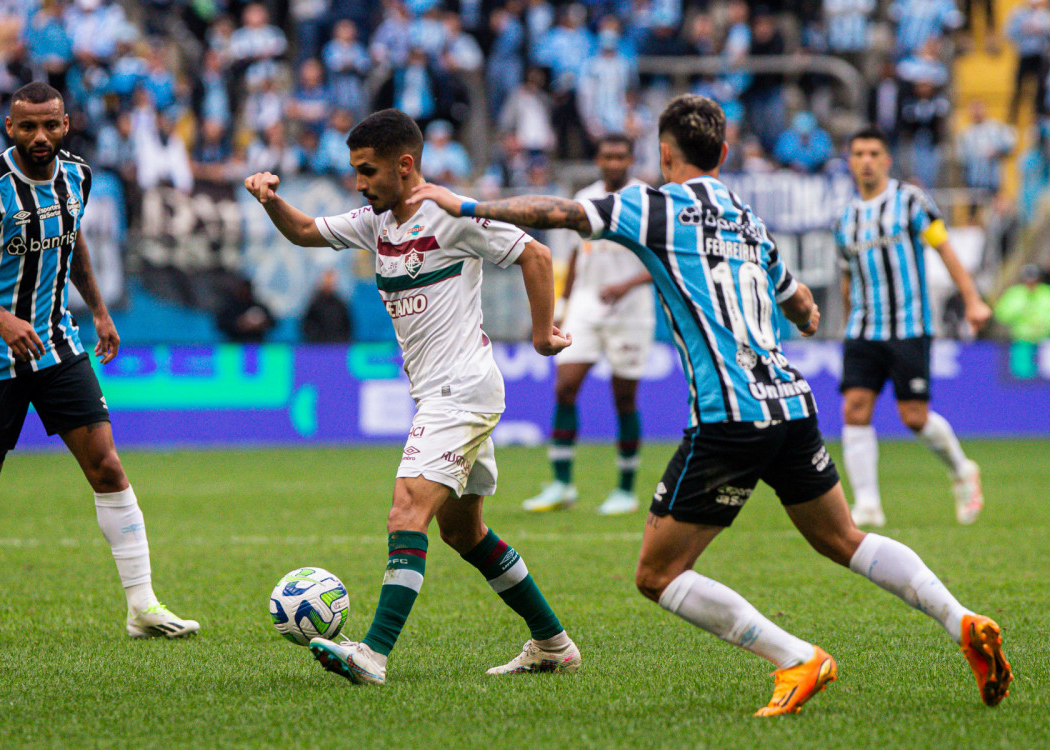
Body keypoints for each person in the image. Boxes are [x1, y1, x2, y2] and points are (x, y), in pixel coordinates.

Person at [409, 94, 1011, 716]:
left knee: (656, 575)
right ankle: (960, 618)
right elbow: (797, 300)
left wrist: (466, 204)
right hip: (790, 402)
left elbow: (560, 211)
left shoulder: (654, 205)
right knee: (845, 538)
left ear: (664, 155)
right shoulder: (747, 218)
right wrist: (802, 312)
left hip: (729, 418)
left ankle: (796, 658)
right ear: (723, 154)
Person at [243, 108, 579, 685]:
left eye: (367, 170)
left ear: (405, 164)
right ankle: (553, 644)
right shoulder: (375, 222)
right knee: (462, 532)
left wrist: (544, 333)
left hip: (462, 391)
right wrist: (269, 198)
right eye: (354, 171)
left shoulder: (449, 214)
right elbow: (304, 232)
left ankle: (372, 653)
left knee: (406, 511)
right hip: (438, 395)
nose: (359, 183)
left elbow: (537, 254)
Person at [0, 82, 198, 644]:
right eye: (27, 127)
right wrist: (2, 319)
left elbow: (74, 242)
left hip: (58, 347)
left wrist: (101, 313)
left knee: (108, 467)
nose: (40, 136)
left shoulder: (78, 176)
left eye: (51, 125)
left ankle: (142, 607)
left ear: (66, 124)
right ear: (9, 128)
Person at [834, 126, 992, 528]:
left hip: (909, 325)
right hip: (863, 328)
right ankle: (868, 504)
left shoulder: (910, 201)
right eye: (859, 153)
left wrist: (972, 300)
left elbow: (944, 249)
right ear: (850, 162)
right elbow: (847, 276)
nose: (866, 160)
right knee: (854, 408)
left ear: (886, 160)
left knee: (914, 417)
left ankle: (961, 469)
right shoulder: (846, 219)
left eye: (874, 153)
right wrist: (848, 318)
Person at [523, 133, 655, 516]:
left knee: (624, 397)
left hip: (631, 309)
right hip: (586, 304)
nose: (613, 162)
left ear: (630, 158)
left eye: (620, 156)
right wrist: (563, 306)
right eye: (607, 156)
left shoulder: (645, 200)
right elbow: (577, 254)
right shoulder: (585, 197)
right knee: (565, 386)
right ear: (598, 159)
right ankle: (561, 484)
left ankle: (626, 489)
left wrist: (626, 284)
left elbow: (661, 260)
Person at [215, 275, 277, 343]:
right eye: (243, 290)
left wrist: (262, 324)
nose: (245, 293)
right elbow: (220, 324)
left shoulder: (259, 306)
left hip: (257, 344)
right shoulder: (230, 307)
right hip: (235, 344)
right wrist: (239, 324)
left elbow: (273, 323)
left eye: (247, 290)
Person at [302, 268, 353, 343]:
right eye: (326, 279)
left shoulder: (340, 304)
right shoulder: (314, 303)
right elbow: (306, 325)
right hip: (318, 346)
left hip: (337, 345)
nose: (329, 282)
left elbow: (347, 326)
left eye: (331, 280)